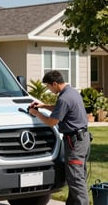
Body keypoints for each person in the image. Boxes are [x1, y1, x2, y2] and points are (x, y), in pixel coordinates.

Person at [28, 70, 91, 205]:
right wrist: (43, 106)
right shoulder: (71, 92)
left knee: (76, 179)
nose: (49, 90)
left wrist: (35, 113)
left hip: (75, 143)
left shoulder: (64, 98)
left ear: (55, 83)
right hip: (83, 139)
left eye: (49, 87)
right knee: (77, 178)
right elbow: (61, 108)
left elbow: (52, 122)